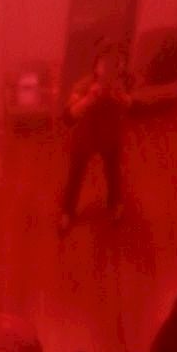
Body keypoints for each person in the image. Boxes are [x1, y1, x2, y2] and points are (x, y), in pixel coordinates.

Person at [58, 48, 131, 229]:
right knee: (75, 176)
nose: (110, 69)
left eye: (116, 63)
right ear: (96, 66)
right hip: (85, 138)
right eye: (105, 63)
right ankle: (67, 211)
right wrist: (89, 98)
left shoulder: (123, 85)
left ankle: (114, 204)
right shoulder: (84, 85)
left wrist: (120, 96)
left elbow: (131, 106)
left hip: (110, 138)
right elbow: (68, 116)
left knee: (113, 173)